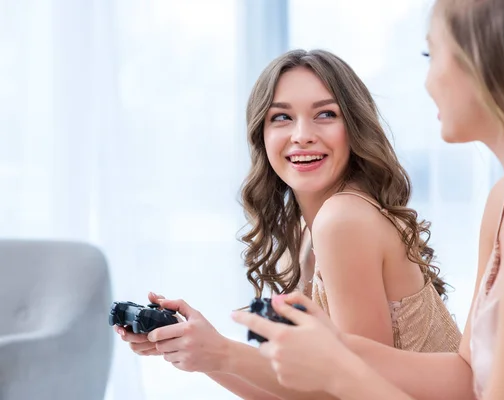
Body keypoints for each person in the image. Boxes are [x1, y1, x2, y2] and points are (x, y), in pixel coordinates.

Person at [233, 0, 504, 399]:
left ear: (492, 64)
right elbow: (468, 376)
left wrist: (340, 372)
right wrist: (336, 349)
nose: (428, 83)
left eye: (432, 54)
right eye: (280, 117)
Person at [115, 49, 461, 399]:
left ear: (354, 127)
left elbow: (356, 389)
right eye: (281, 118)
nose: (302, 135)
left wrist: (221, 352)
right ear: (261, 136)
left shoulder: (343, 221)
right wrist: (204, 356)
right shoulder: (303, 230)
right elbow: (308, 392)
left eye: (325, 114)